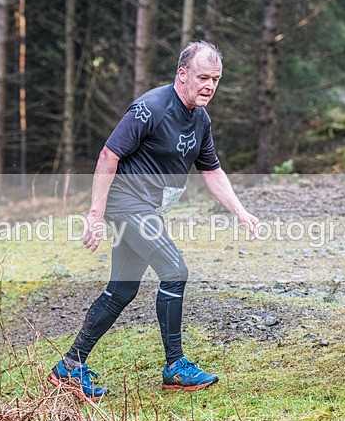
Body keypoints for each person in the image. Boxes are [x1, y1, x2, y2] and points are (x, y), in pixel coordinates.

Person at [49, 41, 259, 402]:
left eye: (216, 79)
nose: (209, 85)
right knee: (175, 270)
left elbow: (212, 171)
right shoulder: (150, 108)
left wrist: (240, 211)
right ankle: (175, 366)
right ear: (182, 74)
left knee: (122, 290)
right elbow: (108, 155)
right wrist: (95, 214)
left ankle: (69, 366)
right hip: (127, 204)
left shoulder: (200, 119)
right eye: (202, 77)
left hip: (147, 209)